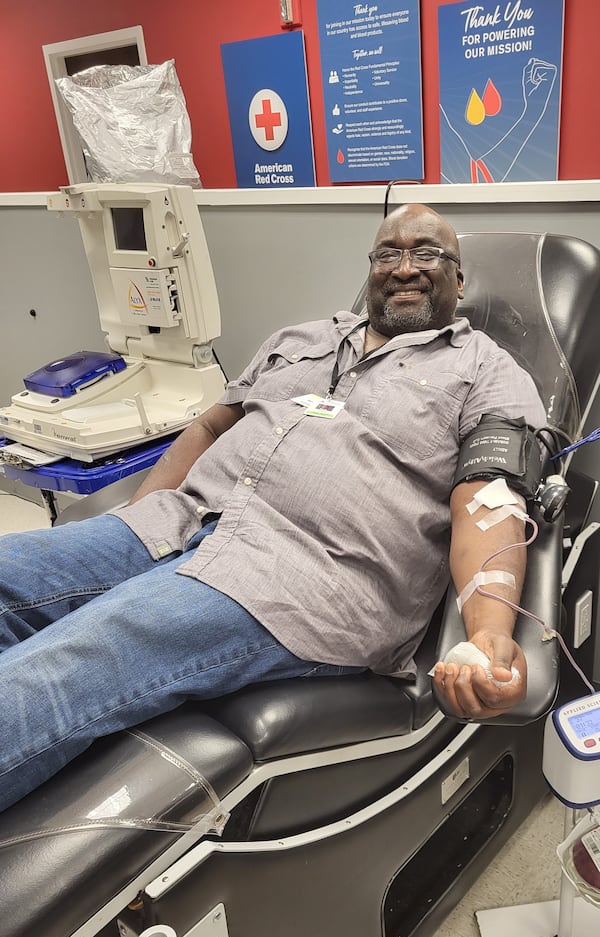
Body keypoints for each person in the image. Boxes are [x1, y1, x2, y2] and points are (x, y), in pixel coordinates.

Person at [0, 204, 546, 813]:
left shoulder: (486, 370)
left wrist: (490, 635)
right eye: (387, 253)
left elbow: (488, 498)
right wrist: (132, 522)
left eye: (426, 254)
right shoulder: (298, 340)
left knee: (76, 657)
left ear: (459, 280)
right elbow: (209, 427)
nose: (404, 268)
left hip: (302, 575)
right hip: (175, 526)